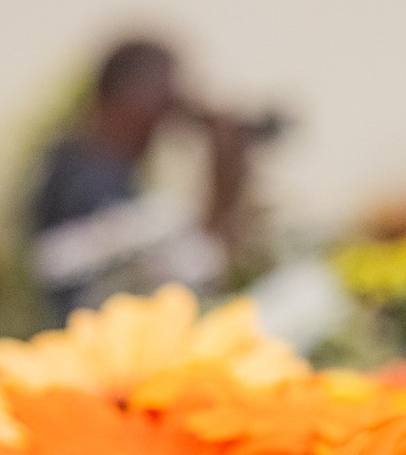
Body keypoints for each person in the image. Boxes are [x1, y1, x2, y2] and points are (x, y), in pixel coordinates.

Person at [29, 38, 282, 321]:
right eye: (165, 96)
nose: (168, 116)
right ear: (132, 95)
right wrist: (220, 190)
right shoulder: (84, 180)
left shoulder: (100, 170)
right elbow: (179, 279)